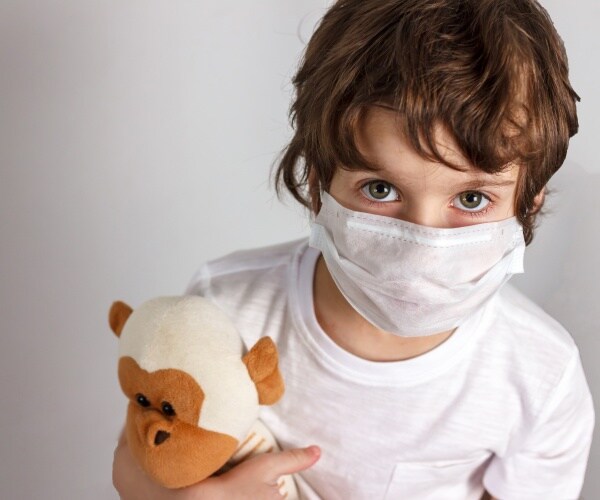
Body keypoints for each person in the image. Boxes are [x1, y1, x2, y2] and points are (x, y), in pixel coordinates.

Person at [112, 0, 595, 498]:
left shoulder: (541, 375)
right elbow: (135, 458)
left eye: (471, 199)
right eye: (380, 189)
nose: (422, 247)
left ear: (528, 199)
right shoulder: (226, 308)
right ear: (320, 181)